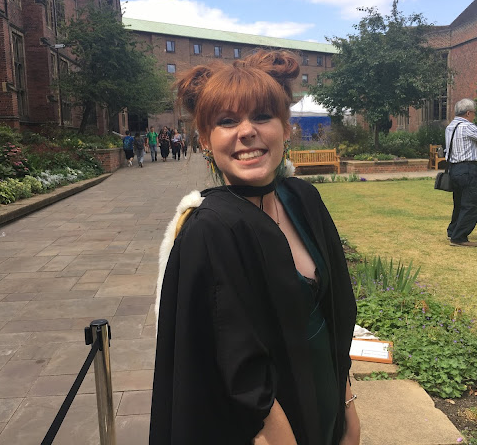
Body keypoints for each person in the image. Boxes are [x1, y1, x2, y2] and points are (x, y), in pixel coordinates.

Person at [150, 50, 360, 445]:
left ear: (286, 128)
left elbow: (335, 314)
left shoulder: (303, 200)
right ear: (205, 140)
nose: (246, 132)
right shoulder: (210, 230)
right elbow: (237, 369)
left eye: (262, 116)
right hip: (268, 431)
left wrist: (347, 405)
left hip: (326, 405)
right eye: (227, 121)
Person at [445, 98, 477, 247]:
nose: (474, 115)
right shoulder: (467, 126)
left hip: (455, 169)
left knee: (459, 203)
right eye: (473, 112)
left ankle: (453, 231)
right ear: (468, 113)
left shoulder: (451, 126)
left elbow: (469, 139)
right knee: (471, 204)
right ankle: (459, 237)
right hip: (469, 169)